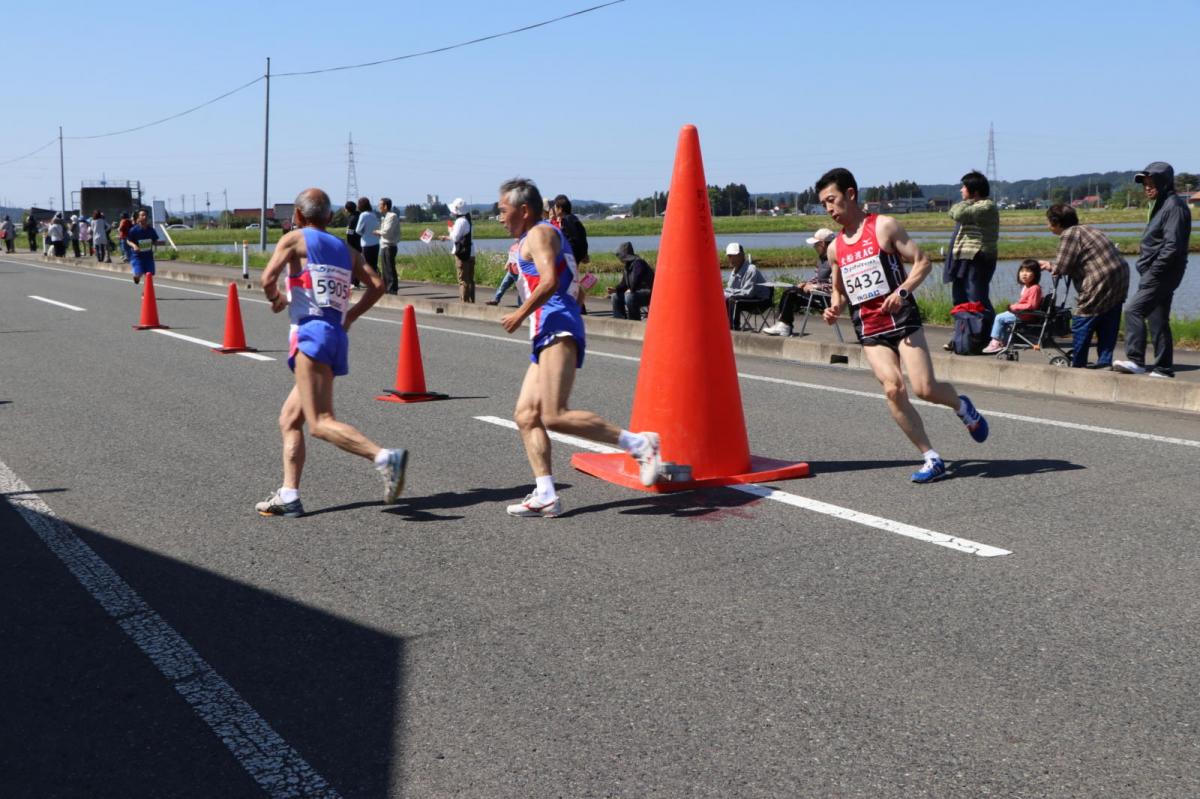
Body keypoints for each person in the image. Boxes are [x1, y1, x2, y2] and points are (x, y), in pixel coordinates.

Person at [497, 177, 662, 517]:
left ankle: (641, 444)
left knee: (554, 415)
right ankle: (545, 493)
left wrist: (519, 313)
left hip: (556, 326)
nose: (499, 217)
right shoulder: (541, 235)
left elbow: (549, 281)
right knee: (526, 415)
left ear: (523, 210)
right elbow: (574, 285)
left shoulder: (539, 233)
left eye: (502, 210)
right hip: (549, 327)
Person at [817, 167, 988, 483]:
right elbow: (840, 291)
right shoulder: (834, 247)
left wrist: (901, 291)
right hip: (870, 329)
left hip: (902, 319)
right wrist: (833, 308)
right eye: (823, 204)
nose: (829, 209)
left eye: (832, 200)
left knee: (924, 388)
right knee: (894, 389)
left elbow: (922, 262)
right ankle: (931, 457)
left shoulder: (884, 227)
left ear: (850, 194)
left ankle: (963, 408)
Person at [255, 188, 407, 518]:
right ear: (329, 217)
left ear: (297, 215)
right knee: (289, 418)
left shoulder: (294, 240)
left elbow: (267, 278)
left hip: (311, 333)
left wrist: (276, 299)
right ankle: (289, 494)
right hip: (335, 334)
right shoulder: (345, 249)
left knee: (321, 423)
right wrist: (349, 316)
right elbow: (377, 286)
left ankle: (384, 457)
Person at [1113, 161, 1192, 378]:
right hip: (1159, 272)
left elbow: (1172, 245)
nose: (1147, 187)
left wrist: (1154, 271)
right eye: (1145, 184)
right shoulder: (1163, 204)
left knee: (1133, 310)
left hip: (1161, 273)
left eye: (1151, 183)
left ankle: (1136, 360)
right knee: (1158, 320)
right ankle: (1163, 369)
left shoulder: (1173, 206)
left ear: (1164, 182)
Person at [1036, 204, 1129, 369]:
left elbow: (1062, 267)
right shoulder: (1088, 229)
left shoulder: (1069, 234)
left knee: (1083, 319)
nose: (1047, 225)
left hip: (1099, 279)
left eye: (1048, 221)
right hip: (1120, 277)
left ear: (1056, 222)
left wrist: (1048, 265)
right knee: (1108, 318)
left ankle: (1078, 364)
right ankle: (1105, 362)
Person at [942, 170, 999, 350]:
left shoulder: (987, 206)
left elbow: (958, 214)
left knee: (976, 298)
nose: (960, 190)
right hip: (962, 257)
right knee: (959, 299)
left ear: (974, 191)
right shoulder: (969, 205)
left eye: (964, 187)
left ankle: (988, 337)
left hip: (978, 256)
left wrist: (962, 206)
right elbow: (953, 211)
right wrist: (962, 205)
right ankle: (963, 336)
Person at [763, 228, 836, 337]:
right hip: (817, 294)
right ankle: (782, 324)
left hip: (826, 299)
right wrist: (805, 283)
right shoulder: (821, 259)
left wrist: (815, 286)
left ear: (823, 244)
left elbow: (835, 285)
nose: (814, 247)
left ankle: (785, 326)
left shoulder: (835, 259)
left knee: (792, 294)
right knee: (789, 290)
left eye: (815, 244)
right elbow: (817, 277)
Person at [982, 260, 1044, 353]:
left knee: (999, 318)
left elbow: (1032, 305)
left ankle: (995, 342)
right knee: (1004, 318)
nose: (1024, 274)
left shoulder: (1034, 288)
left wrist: (1015, 307)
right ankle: (1004, 341)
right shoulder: (1027, 287)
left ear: (1035, 274)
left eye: (1028, 271)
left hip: (1025, 315)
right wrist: (1016, 306)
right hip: (1021, 313)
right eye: (1022, 271)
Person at [552, 195, 589, 313]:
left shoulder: (567, 220)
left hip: (570, 258)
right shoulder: (573, 219)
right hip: (574, 257)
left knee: (568, 283)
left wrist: (568, 255)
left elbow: (574, 240)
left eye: (555, 207)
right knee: (572, 283)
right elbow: (582, 239)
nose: (554, 210)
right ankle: (579, 308)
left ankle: (579, 308)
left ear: (560, 208)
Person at [723, 242, 771, 329]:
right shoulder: (734, 271)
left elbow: (747, 293)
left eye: (733, 255)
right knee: (724, 298)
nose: (731, 259)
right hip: (748, 298)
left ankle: (733, 327)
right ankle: (722, 324)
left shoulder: (751, 270)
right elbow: (730, 289)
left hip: (761, 300)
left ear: (742, 256)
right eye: (729, 256)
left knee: (733, 300)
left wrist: (727, 293)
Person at [608, 241, 654, 320]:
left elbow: (637, 278)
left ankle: (634, 321)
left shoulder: (639, 263)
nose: (619, 259)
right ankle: (620, 320)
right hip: (635, 292)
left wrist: (631, 289)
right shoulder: (627, 266)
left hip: (648, 293)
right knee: (615, 297)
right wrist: (615, 289)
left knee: (630, 297)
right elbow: (624, 283)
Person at [442, 197, 475, 302]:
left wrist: (447, 235)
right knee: (470, 280)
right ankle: (471, 301)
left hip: (462, 253)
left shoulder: (460, 221)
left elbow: (455, 237)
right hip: (471, 252)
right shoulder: (468, 220)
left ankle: (464, 303)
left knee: (463, 281)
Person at [375, 197, 401, 294]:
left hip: (390, 245)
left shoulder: (392, 216)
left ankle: (392, 288)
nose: (379, 207)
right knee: (385, 268)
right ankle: (386, 288)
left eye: (380, 205)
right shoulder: (385, 217)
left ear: (385, 206)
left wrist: (378, 232)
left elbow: (387, 231)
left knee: (390, 268)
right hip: (384, 245)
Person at [126, 209, 159, 285]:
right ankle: (136, 277)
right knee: (139, 274)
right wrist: (134, 246)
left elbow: (155, 240)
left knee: (149, 275)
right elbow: (128, 241)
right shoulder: (134, 230)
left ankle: (146, 293)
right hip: (137, 256)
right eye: (142, 215)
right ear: (139, 217)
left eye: (146, 215)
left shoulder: (151, 230)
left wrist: (155, 246)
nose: (145, 217)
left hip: (148, 256)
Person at [353, 197, 380, 274]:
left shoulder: (363, 215)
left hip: (366, 243)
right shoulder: (373, 214)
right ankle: (376, 281)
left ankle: (370, 283)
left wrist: (364, 234)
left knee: (367, 265)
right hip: (376, 242)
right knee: (374, 265)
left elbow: (358, 230)